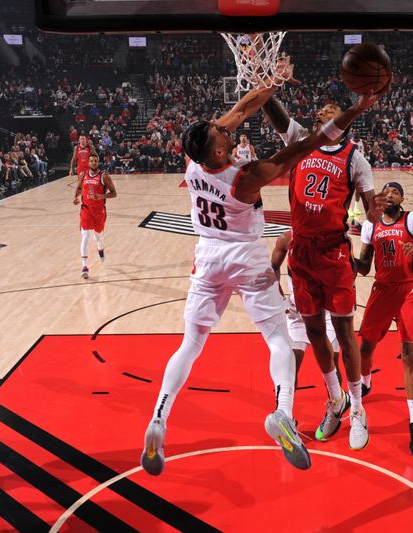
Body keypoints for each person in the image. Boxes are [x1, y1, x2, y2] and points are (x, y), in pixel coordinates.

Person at [140, 73, 382, 475]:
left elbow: (241, 109)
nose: (227, 132)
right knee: (278, 340)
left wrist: (271, 80)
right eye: (222, 137)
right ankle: (283, 412)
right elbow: (309, 143)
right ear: (217, 154)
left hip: (207, 256)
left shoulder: (196, 160)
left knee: (191, 343)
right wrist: (357, 110)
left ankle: (159, 419)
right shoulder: (245, 178)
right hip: (245, 259)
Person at [262, 91, 380, 450]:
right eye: (318, 115)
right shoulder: (301, 141)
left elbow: (371, 213)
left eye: (329, 114)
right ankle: (335, 400)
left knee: (345, 335)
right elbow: (278, 116)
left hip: (333, 254)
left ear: (342, 125)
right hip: (302, 254)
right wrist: (265, 86)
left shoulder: (355, 159)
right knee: (314, 332)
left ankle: (358, 409)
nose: (320, 117)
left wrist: (366, 255)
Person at [354, 182, 413, 456]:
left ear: (402, 198)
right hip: (382, 290)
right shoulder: (371, 226)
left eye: (395, 191)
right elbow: (363, 267)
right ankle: (367, 384)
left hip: (408, 290)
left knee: (408, 355)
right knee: (365, 348)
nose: (391, 194)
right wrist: (345, 260)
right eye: (387, 191)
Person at [270, 231, 342, 388]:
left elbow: (349, 270)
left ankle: (337, 409)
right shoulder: (286, 239)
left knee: (331, 363)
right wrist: (279, 297)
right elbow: (274, 266)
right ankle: (285, 409)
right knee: (291, 366)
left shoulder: (331, 238)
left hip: (326, 309)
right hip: (299, 309)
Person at [73, 154, 116, 279]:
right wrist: (76, 197)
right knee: (85, 237)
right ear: (88, 162)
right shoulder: (83, 175)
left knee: (99, 237)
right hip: (86, 210)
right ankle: (85, 266)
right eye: (91, 161)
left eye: (95, 161)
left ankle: (100, 249)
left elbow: (114, 193)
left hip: (99, 211)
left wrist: (101, 196)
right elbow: (79, 188)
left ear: (98, 162)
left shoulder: (104, 176)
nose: (93, 162)